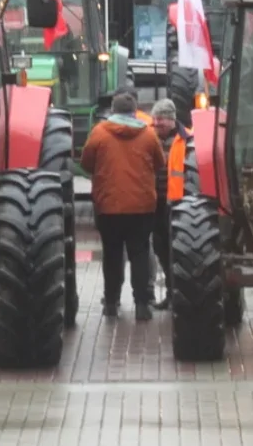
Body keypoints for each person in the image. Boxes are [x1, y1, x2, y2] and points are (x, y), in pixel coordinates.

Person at [80, 91, 165, 321]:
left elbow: (86, 163)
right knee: (139, 253)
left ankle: (111, 302)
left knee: (112, 254)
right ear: (134, 111)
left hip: (108, 206)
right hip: (142, 207)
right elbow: (160, 163)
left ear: (113, 111)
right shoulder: (148, 135)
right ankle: (141, 305)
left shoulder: (99, 133)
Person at [148, 99, 191, 310]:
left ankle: (180, 293)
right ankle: (171, 293)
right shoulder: (148, 137)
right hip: (155, 202)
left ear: (171, 119)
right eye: (154, 119)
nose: (156, 123)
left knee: (179, 250)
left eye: (161, 119)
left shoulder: (188, 139)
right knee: (161, 248)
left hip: (179, 204)